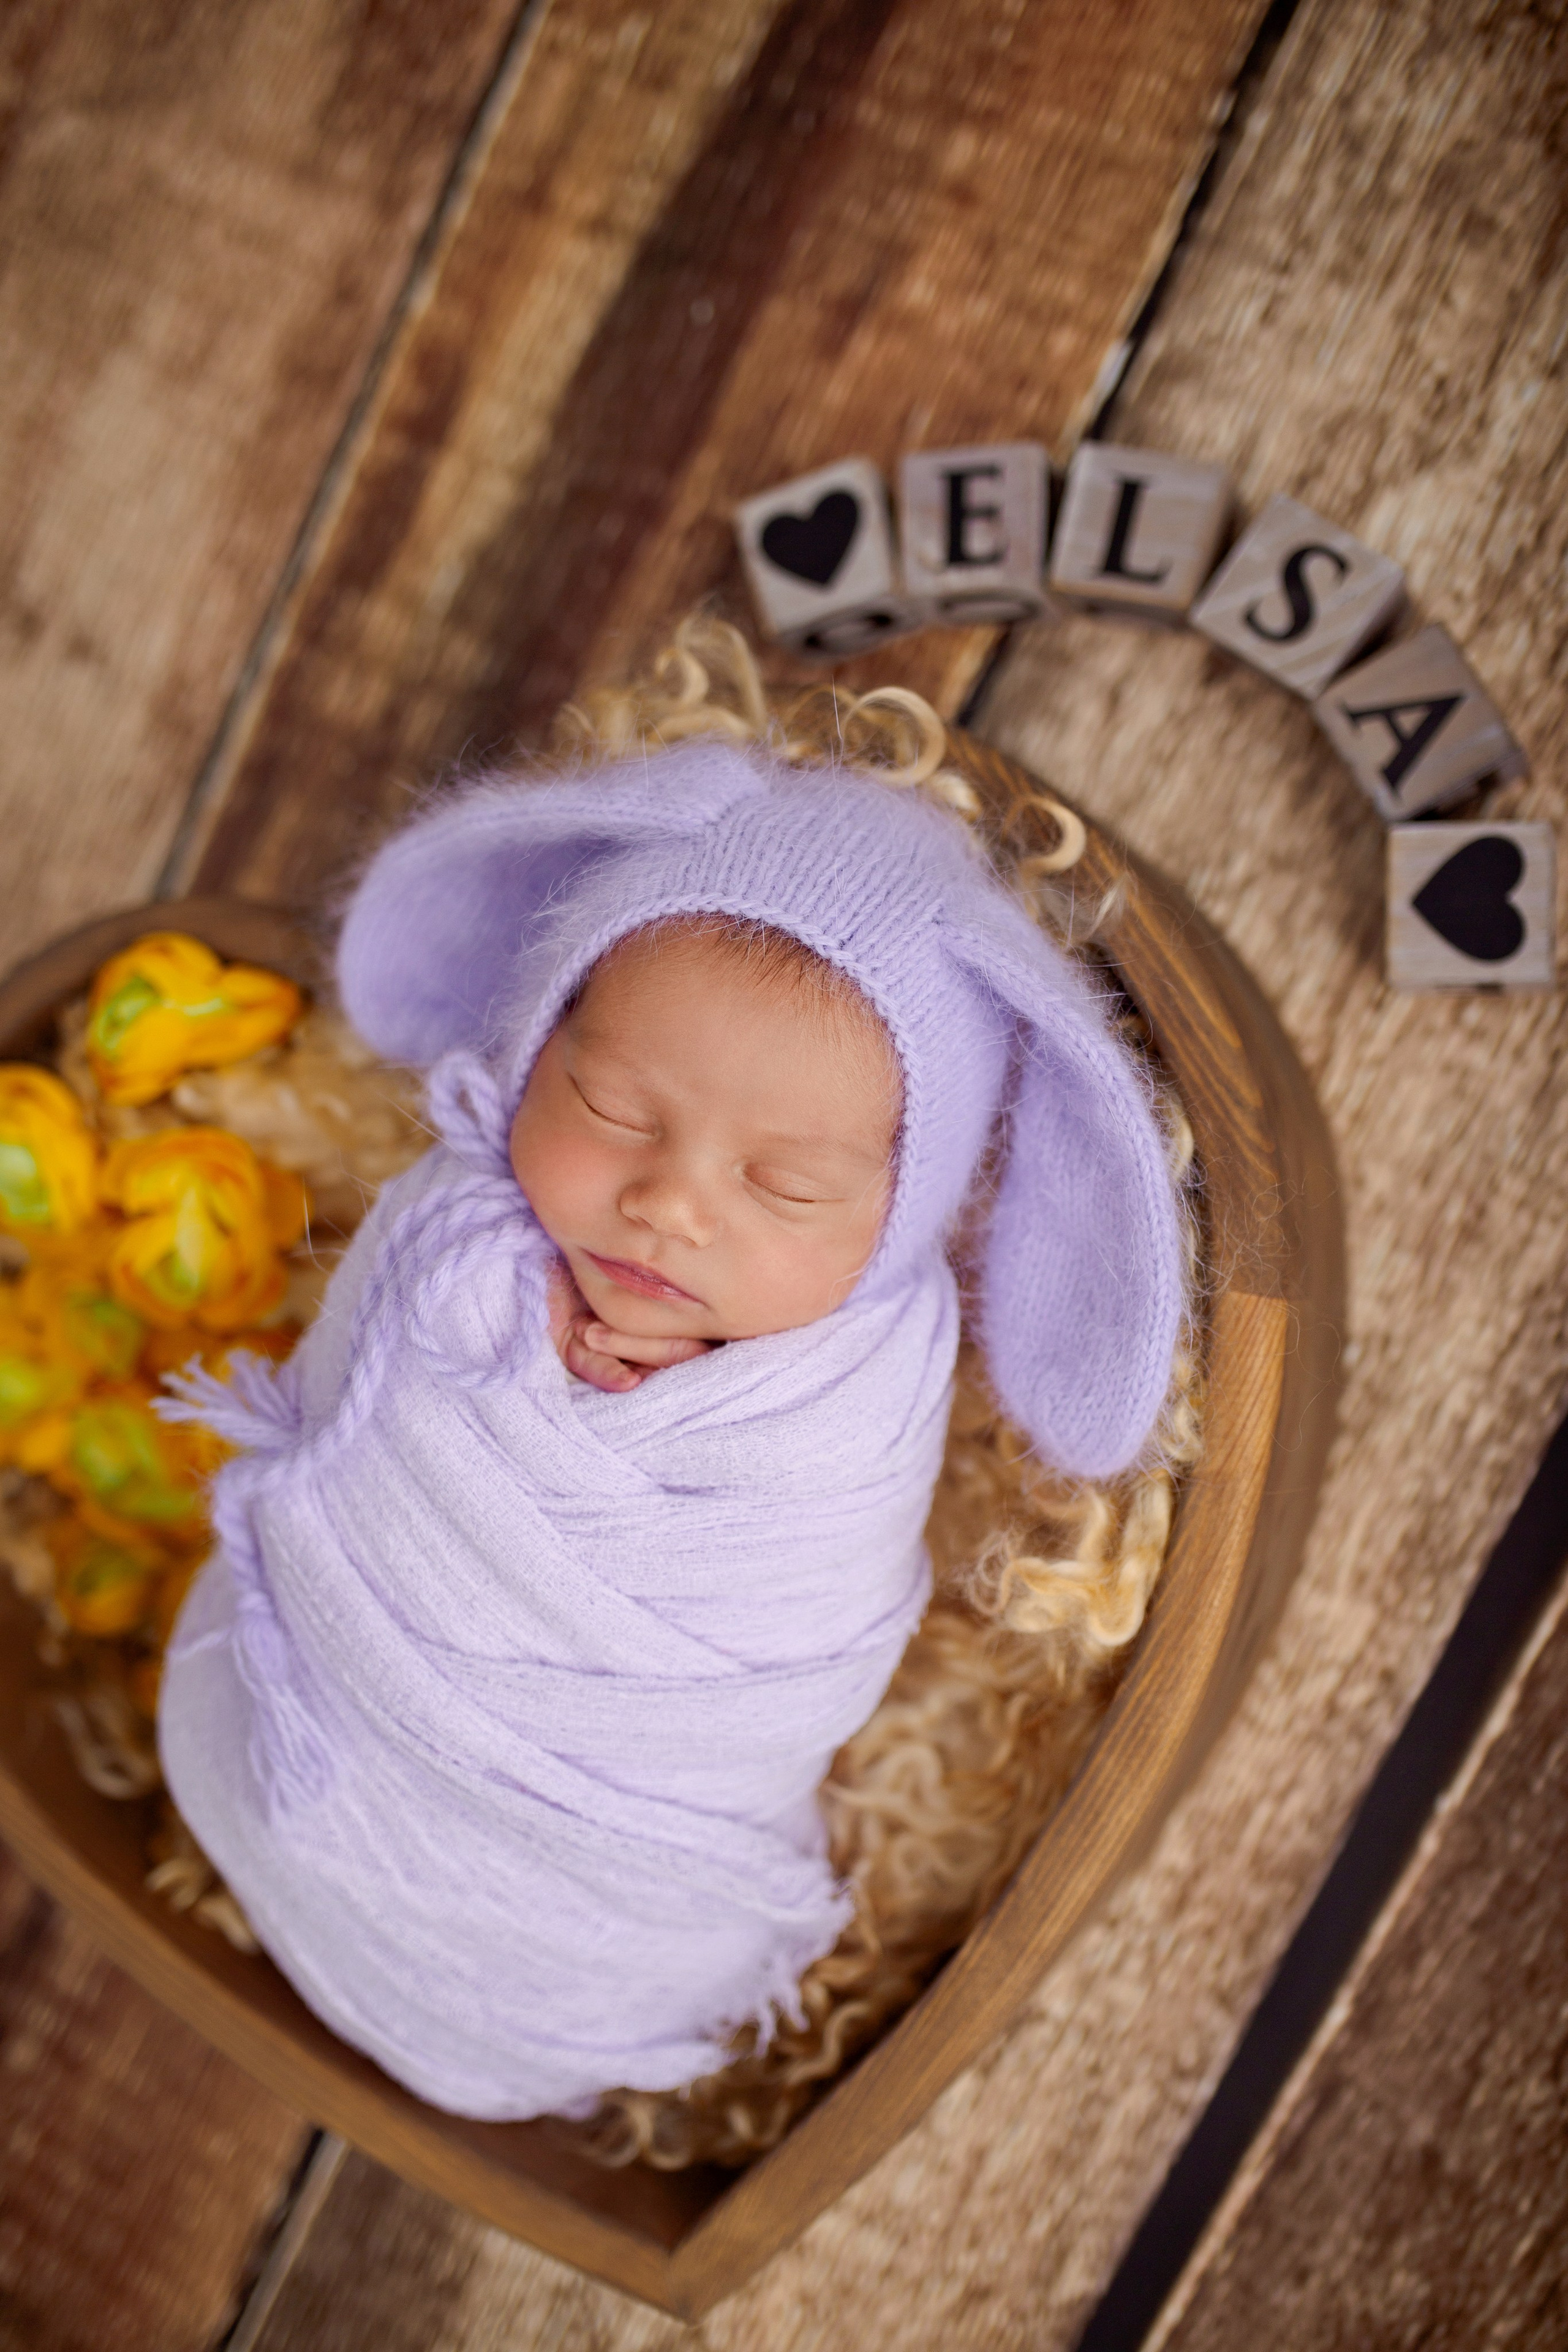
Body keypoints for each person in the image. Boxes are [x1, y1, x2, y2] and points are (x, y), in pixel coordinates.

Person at [156, 692, 1185, 2124]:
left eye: (783, 1187)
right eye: (615, 1107)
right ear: (533, 1046)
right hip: (295, 1724)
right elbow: (355, 1407)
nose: (666, 1203)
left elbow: (793, 1636)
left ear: (892, 1231)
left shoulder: (848, 1412)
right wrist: (516, 1363)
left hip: (604, 1908)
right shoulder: (457, 1229)